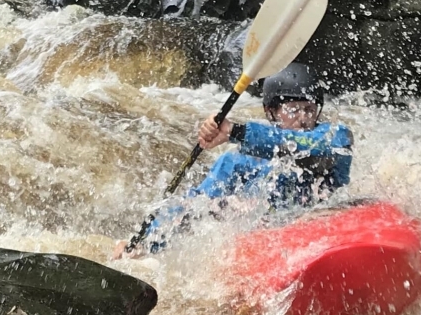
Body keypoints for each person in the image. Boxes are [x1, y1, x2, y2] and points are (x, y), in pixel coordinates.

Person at [113, 63, 353, 258]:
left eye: (309, 110)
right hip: (273, 238)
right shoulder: (238, 161)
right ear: (271, 112)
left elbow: (303, 148)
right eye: (293, 109)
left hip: (321, 223)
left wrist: (235, 132)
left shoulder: (336, 136)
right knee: (212, 205)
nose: (303, 119)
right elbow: (195, 203)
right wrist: (148, 242)